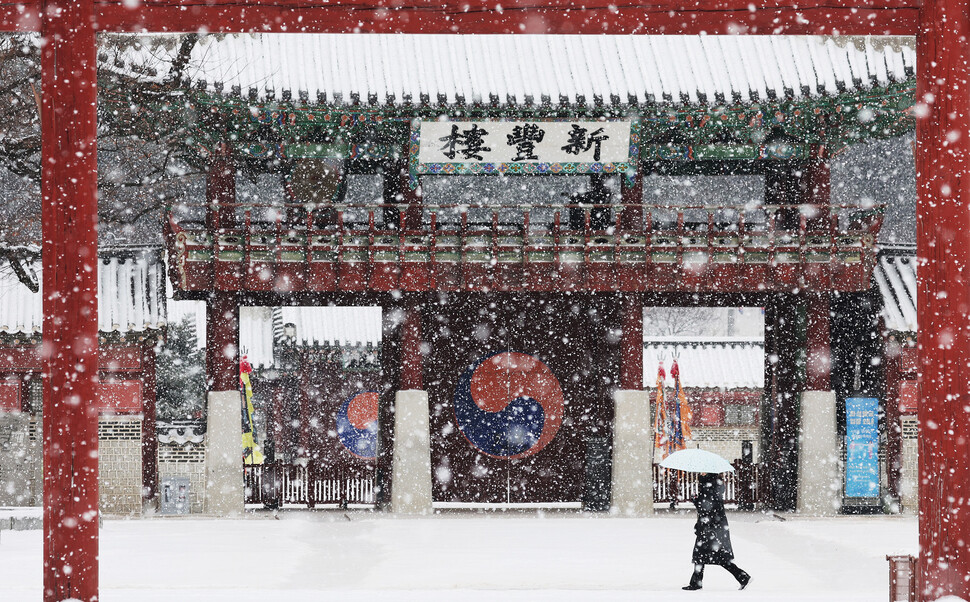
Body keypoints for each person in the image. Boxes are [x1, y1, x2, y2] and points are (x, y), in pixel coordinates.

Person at [683, 472, 751, 591]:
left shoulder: (709, 487)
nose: (700, 473)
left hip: (711, 528)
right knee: (706, 556)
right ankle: (696, 582)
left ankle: (742, 577)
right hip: (713, 527)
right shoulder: (713, 486)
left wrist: (696, 501)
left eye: (702, 472)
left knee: (707, 555)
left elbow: (707, 508)